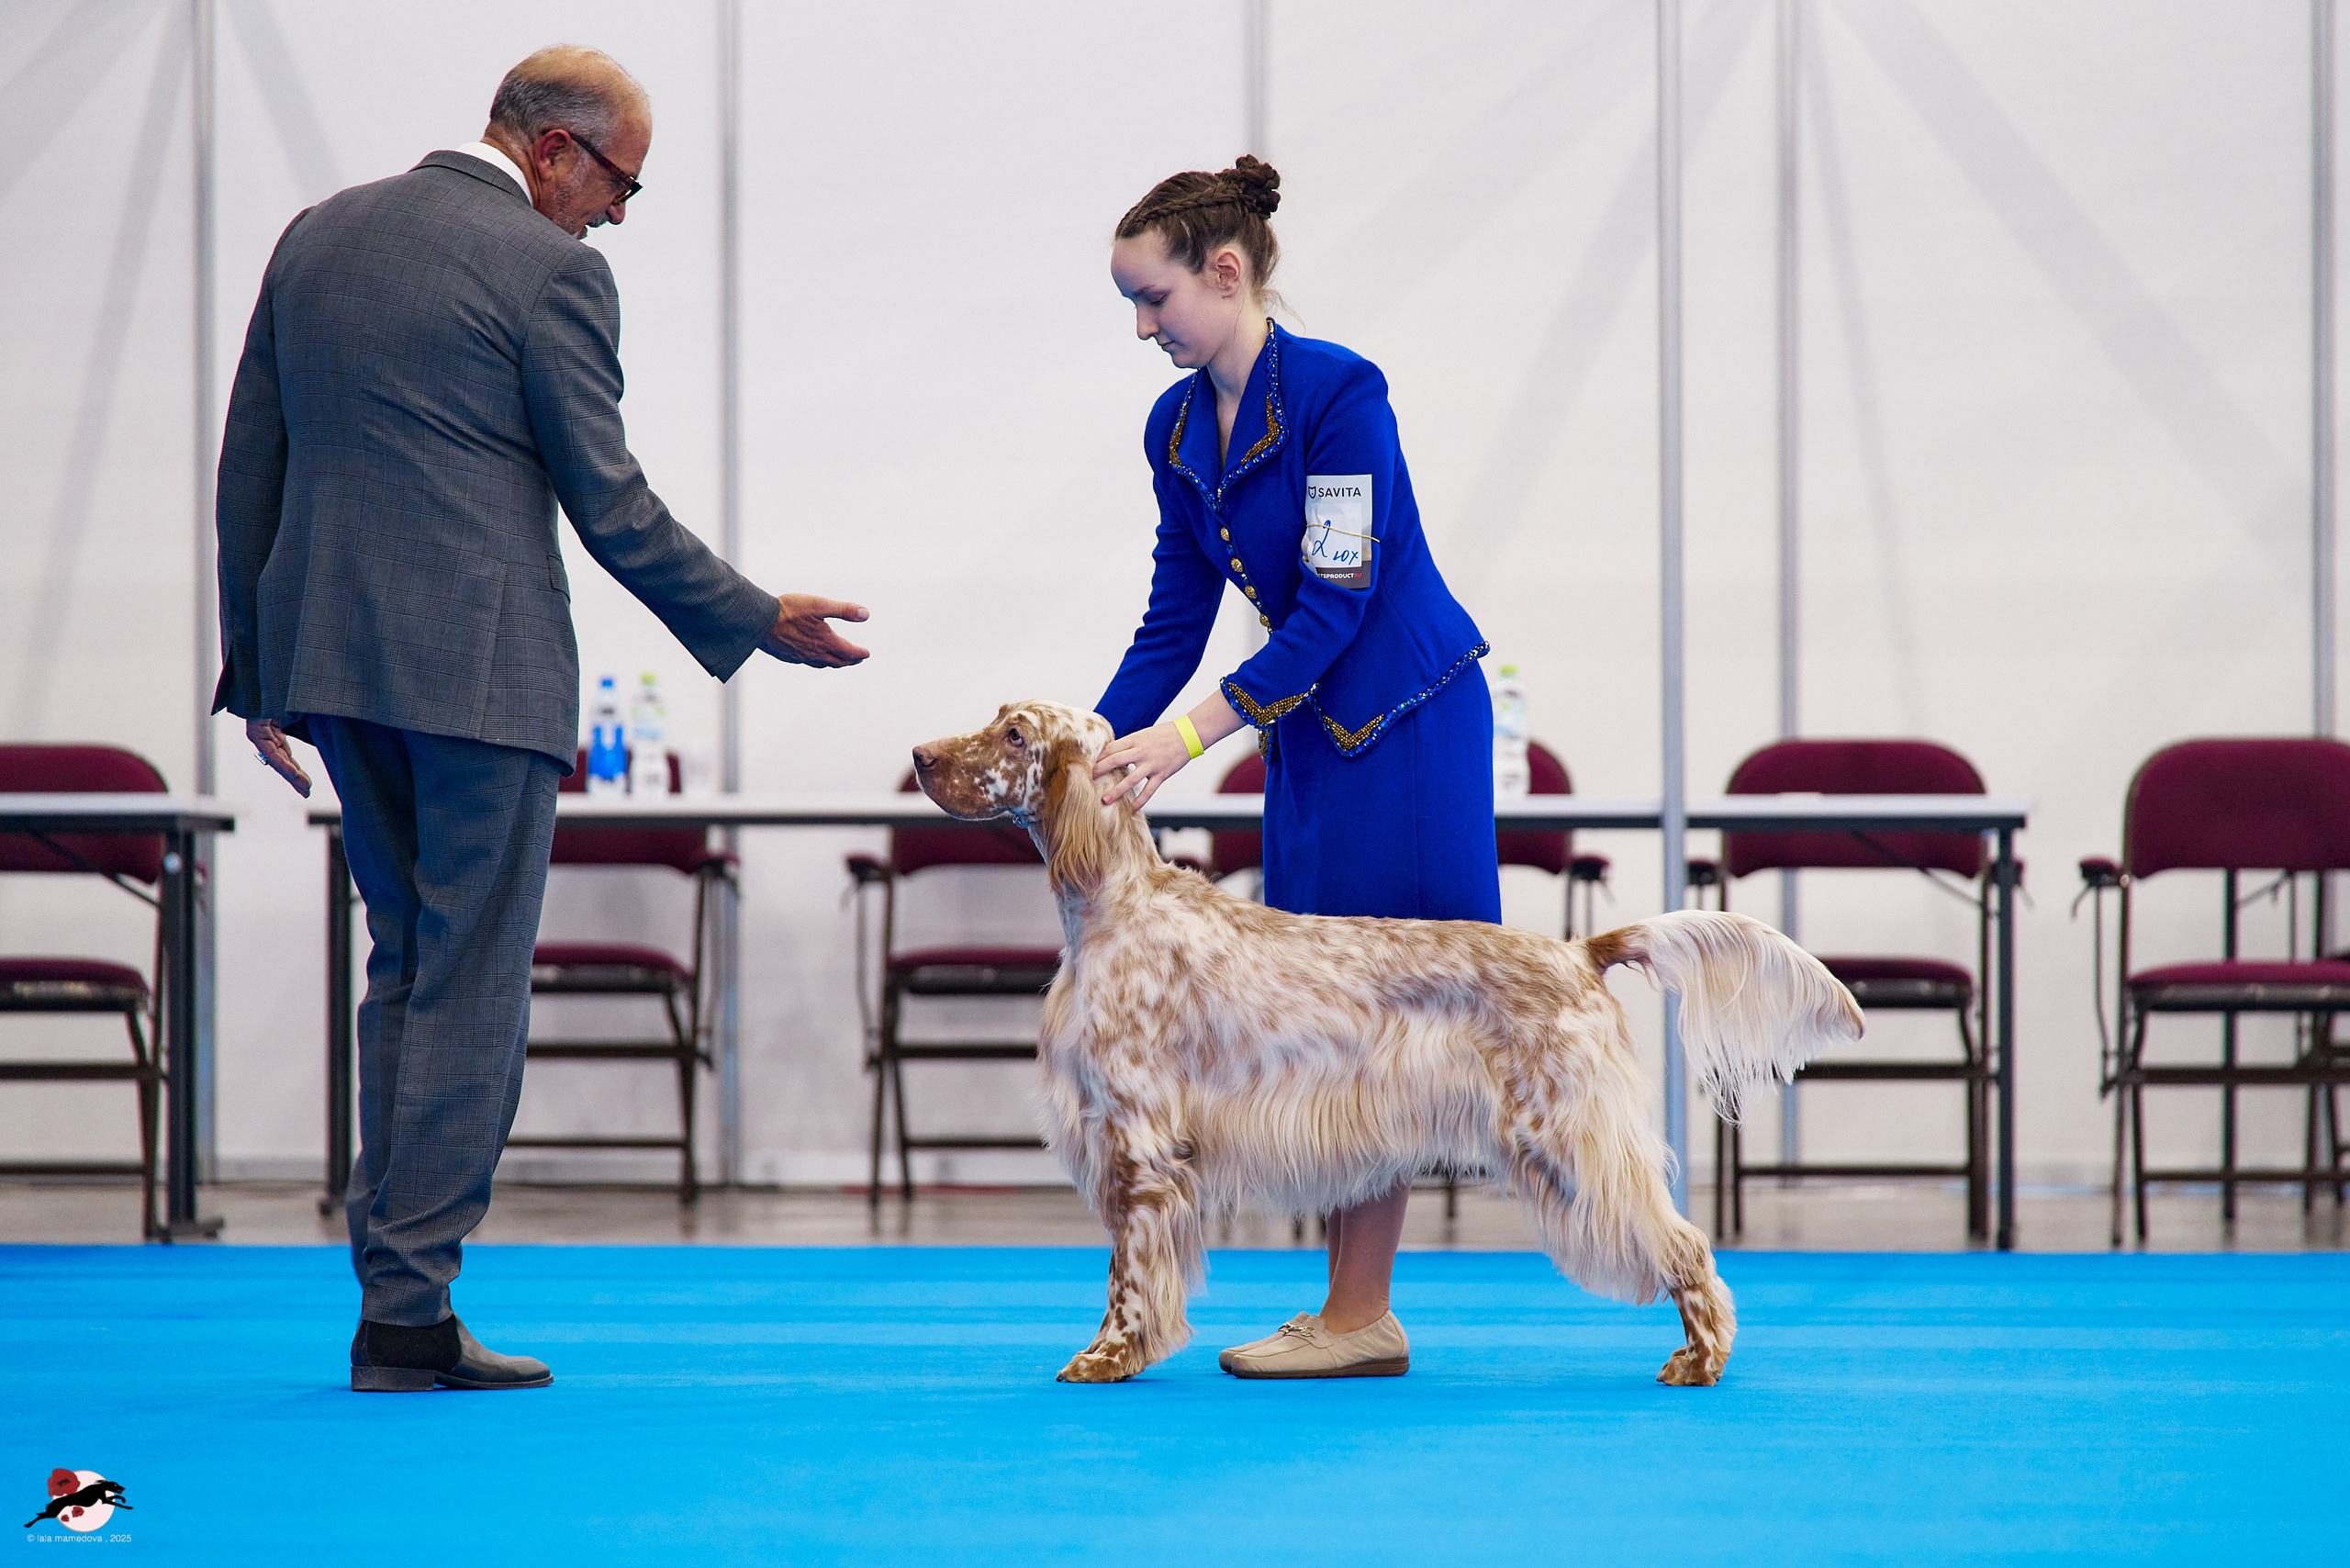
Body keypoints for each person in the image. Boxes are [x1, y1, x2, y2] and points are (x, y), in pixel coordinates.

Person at [213, 46, 872, 1393]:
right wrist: (751, 614)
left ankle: (396, 1293)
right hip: (482, 678)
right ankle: (409, 1313)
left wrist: (256, 664)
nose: (622, 212)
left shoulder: (316, 236)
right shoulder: (553, 270)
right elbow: (610, 502)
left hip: (337, 668)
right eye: (624, 181)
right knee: (472, 985)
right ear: (558, 149)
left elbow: (252, 460)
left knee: (404, 970)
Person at [1091, 156, 1500, 1378]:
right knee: (1328, 1024)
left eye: (1152, 299)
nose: (1141, 327)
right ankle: (1350, 1310)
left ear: (1226, 273)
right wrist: (1090, 747)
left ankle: (1361, 1311)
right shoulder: (1174, 426)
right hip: (1310, 733)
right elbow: (1175, 617)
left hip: (1406, 727)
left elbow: (1334, 604)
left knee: (1388, 1023)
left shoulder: (1337, 393)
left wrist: (1188, 738)